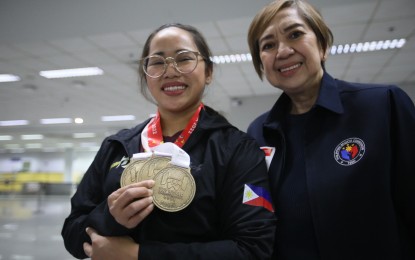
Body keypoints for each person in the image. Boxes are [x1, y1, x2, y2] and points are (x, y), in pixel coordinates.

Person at [61, 23, 276, 260]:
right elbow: (72, 232)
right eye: (157, 62)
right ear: (146, 75)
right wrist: (110, 218)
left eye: (184, 58)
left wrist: (138, 255)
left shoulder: (237, 149)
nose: (170, 71)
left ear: (208, 72)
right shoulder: (117, 146)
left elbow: (253, 250)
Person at [246, 0, 415, 259]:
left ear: (323, 45)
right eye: (268, 45)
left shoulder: (383, 105)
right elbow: (256, 217)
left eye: (295, 34)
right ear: (262, 63)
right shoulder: (258, 132)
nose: (282, 51)